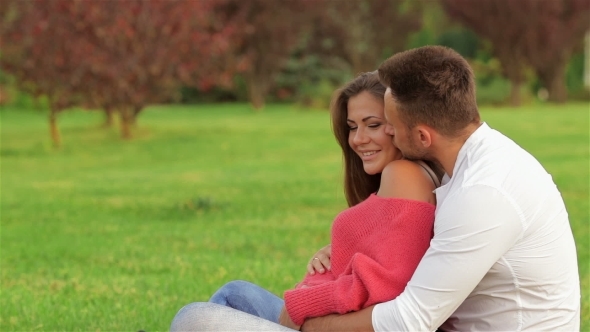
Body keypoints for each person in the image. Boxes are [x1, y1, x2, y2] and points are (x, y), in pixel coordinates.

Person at [300, 46, 581, 331]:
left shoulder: (483, 192)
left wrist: (308, 325)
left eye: (390, 125)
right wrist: (349, 248)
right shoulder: (478, 161)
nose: (388, 134)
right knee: (250, 301)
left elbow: (410, 320)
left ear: (422, 136)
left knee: (252, 308)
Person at [169, 71, 443, 331]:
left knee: (192, 318)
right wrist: (341, 250)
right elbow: (386, 255)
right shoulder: (398, 178)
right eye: (351, 127)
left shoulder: (404, 174)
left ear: (399, 123)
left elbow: (388, 284)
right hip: (322, 322)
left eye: (373, 125)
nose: (358, 139)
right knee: (235, 292)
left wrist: (303, 304)